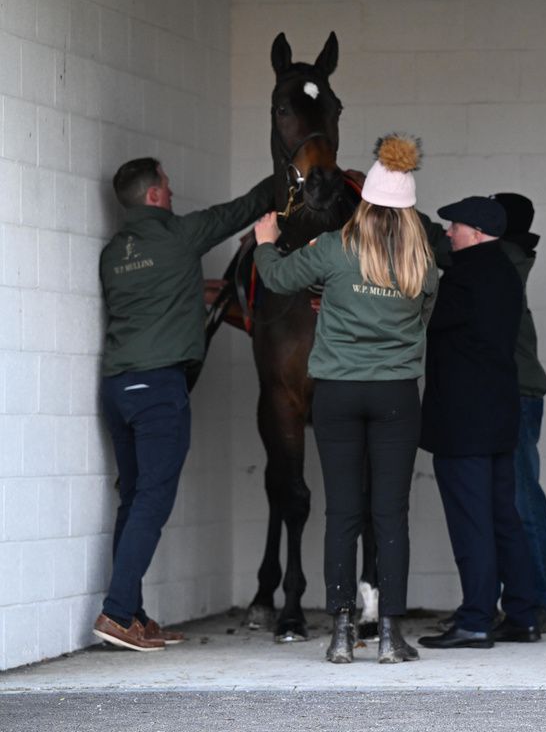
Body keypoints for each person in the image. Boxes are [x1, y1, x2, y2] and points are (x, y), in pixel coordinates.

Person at [252, 134, 436, 664]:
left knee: (343, 513)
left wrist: (266, 239)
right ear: (408, 210)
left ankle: (339, 634)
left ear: (367, 200)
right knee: (391, 514)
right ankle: (391, 637)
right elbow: (424, 317)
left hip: (336, 392)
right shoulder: (422, 263)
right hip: (397, 395)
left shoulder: (333, 248)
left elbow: (279, 276)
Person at [94, 159, 273, 652]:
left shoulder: (114, 253)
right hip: (158, 390)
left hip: (117, 387)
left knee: (134, 499)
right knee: (153, 500)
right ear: (153, 196)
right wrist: (292, 173)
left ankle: (131, 614)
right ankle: (114, 612)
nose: (173, 194)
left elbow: (150, 296)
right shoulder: (179, 235)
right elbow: (243, 209)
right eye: (168, 187)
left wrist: (194, 295)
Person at [416, 196, 542, 650]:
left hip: (462, 421)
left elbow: (423, 323)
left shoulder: (464, 275)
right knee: (502, 516)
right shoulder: (506, 272)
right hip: (498, 415)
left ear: (477, 231)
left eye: (455, 226)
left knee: (472, 522)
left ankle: (475, 619)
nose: (448, 232)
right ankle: (523, 614)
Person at [492, 193, 546, 633]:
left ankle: (545, 601)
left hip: (517, 393)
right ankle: (535, 599)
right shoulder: (511, 255)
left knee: (522, 499)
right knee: (518, 498)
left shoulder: (504, 256)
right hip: (517, 392)